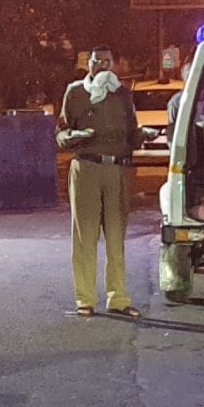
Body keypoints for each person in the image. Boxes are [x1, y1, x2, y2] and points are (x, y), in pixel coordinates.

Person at [59, 46, 139, 319]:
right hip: (87, 167)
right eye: (97, 61)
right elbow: (61, 131)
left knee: (116, 237)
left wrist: (145, 136)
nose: (103, 65)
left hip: (117, 169)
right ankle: (85, 298)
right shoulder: (76, 93)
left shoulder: (123, 94)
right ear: (88, 64)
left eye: (108, 61)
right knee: (85, 235)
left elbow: (132, 133)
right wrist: (72, 137)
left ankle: (118, 298)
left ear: (113, 64)